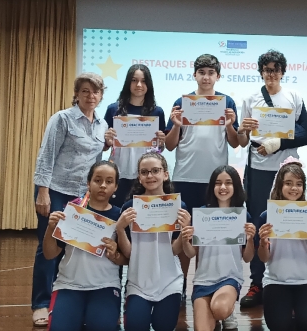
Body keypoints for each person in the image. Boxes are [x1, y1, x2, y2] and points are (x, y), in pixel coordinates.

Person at [31, 72, 108, 327]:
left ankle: (63, 299)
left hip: (82, 195)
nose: (90, 96)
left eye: (95, 91)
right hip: (55, 190)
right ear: (76, 94)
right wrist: (43, 192)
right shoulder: (62, 118)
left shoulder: (102, 125)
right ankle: (41, 303)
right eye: (85, 91)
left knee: (74, 247)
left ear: (101, 95)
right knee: (49, 246)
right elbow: (46, 156)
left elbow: (96, 162)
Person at [237, 49, 307, 308]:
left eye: (276, 70)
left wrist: (276, 143)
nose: (271, 74)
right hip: (258, 170)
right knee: (261, 225)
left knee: (291, 223)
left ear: (283, 72)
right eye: (267, 70)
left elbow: (306, 135)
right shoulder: (250, 99)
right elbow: (242, 141)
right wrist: (242, 131)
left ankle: (292, 281)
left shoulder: (294, 96)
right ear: (261, 72)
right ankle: (257, 282)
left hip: (287, 170)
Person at [165, 54, 240, 301]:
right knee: (184, 234)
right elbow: (169, 145)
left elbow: (235, 142)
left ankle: (204, 286)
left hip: (216, 182)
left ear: (218, 76)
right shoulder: (182, 102)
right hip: (185, 177)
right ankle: (180, 287)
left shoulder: (226, 102)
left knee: (208, 236)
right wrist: (176, 124)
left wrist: (229, 124)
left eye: (211, 73)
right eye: (202, 72)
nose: (206, 77)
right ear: (194, 75)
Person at [42, 161, 128, 331]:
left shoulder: (119, 217)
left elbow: (126, 259)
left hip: (105, 286)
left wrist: (115, 255)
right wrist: (50, 228)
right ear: (88, 183)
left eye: (109, 181)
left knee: (102, 327)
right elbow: (49, 254)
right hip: (69, 285)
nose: (103, 185)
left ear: (116, 187)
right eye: (98, 180)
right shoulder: (72, 213)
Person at [115, 150, 192, 331]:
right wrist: (120, 229)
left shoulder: (178, 207)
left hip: (169, 283)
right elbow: (129, 253)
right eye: (144, 172)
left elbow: (174, 250)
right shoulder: (130, 208)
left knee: (163, 326)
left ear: (165, 174)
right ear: (139, 177)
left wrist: (184, 231)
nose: (150, 176)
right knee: (135, 327)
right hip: (138, 283)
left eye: (155, 171)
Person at [256, 158, 307, 331]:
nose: (294, 188)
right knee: (279, 326)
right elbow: (263, 258)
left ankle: (298, 311)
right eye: (288, 183)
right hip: (276, 281)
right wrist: (263, 244)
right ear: (279, 185)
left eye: (299, 184)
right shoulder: (267, 216)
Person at [182, 165, 256, 331]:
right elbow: (191, 253)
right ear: (212, 187)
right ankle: (216, 316)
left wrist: (250, 239)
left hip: (229, 278)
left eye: (228, 183)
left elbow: (247, 258)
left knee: (220, 309)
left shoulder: (242, 215)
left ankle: (227, 313)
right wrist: (185, 239)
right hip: (203, 281)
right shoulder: (201, 214)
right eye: (218, 183)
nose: (223, 187)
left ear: (236, 186)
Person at [103, 64, 166, 207]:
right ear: (128, 83)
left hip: (145, 175)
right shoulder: (113, 109)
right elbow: (105, 146)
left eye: (143, 81)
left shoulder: (157, 112)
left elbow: (159, 149)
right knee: (118, 212)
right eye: (134, 80)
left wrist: (161, 143)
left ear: (149, 84)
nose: (139, 85)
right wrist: (107, 140)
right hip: (119, 172)